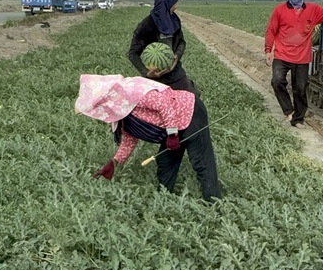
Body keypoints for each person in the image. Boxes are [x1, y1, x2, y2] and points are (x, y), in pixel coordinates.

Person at [75, 74, 221, 201]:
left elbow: (165, 105)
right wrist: (113, 163)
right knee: (165, 163)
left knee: (201, 161)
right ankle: (165, 199)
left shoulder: (134, 92)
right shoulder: (122, 111)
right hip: (173, 128)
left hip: (190, 112)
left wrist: (172, 135)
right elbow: (129, 142)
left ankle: (215, 204)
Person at [264, 0, 323, 129]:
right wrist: (268, 50)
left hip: (301, 57)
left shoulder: (312, 10)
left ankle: (298, 119)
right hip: (282, 55)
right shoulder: (279, 10)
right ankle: (289, 111)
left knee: (300, 88)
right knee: (277, 81)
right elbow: (271, 31)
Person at [128, 0, 198, 95]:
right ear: (167, 3)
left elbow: (181, 42)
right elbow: (133, 53)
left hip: (175, 73)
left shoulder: (174, 20)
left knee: (193, 98)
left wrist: (176, 57)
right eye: (174, 3)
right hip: (155, 78)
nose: (176, 6)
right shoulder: (147, 25)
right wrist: (147, 73)